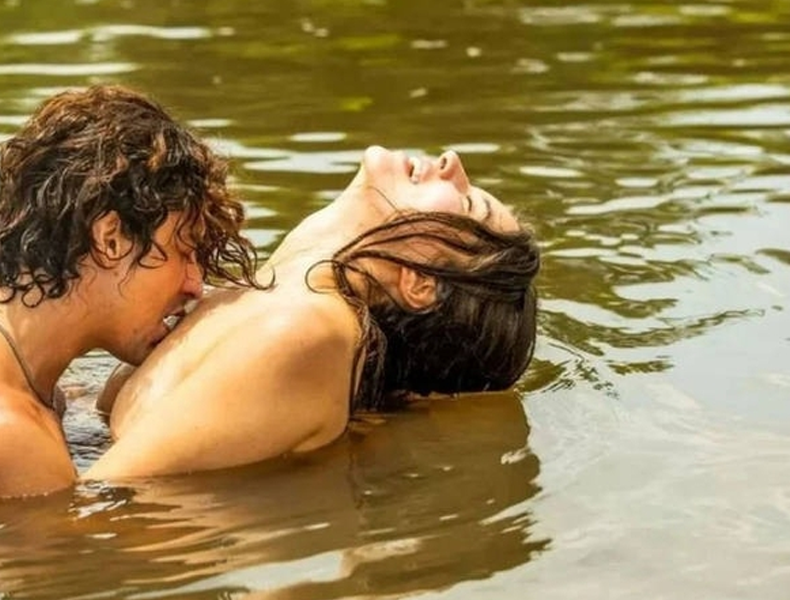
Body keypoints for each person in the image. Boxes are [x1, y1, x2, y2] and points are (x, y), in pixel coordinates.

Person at [84, 145, 540, 481]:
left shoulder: (307, 331)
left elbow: (97, 501)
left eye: (467, 203)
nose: (452, 162)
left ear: (419, 283)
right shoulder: (259, 299)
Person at [0, 85, 259, 497]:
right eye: (185, 252)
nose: (194, 285)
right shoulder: (3, 435)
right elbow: (109, 540)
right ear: (111, 238)